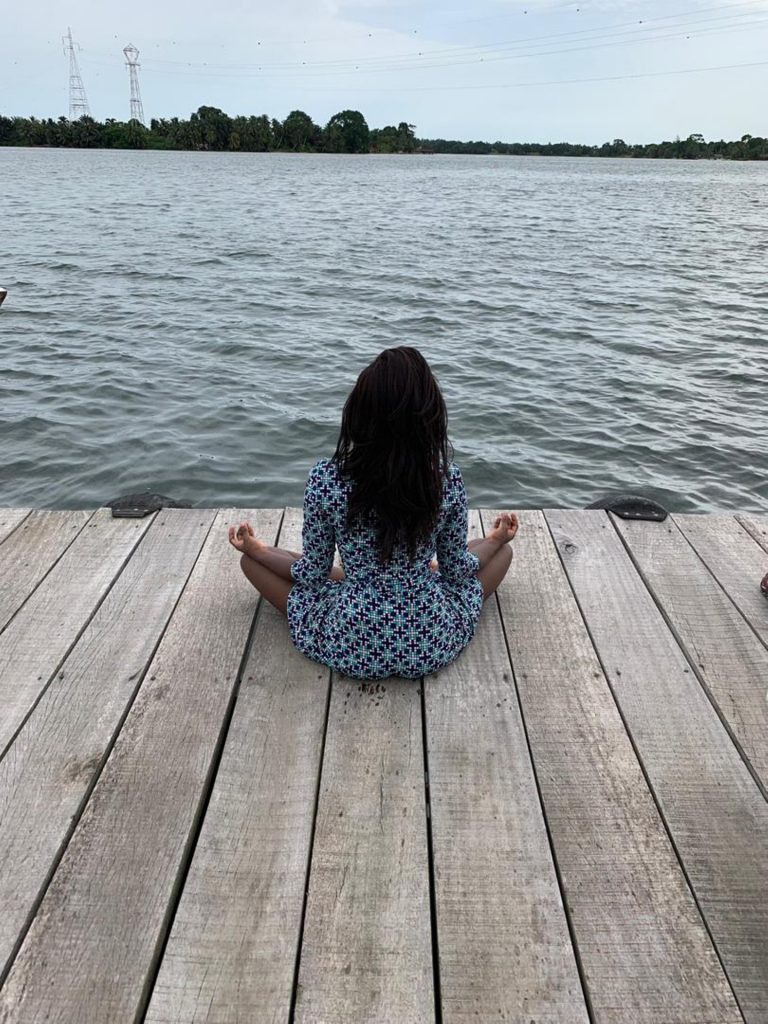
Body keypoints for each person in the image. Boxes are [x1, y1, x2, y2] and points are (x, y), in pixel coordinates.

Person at [228, 346, 518, 679]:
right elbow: (456, 573)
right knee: (503, 553)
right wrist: (495, 540)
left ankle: (262, 553)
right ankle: (426, 568)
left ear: (359, 416)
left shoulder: (327, 479)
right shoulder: (445, 480)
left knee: (250, 563)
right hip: (427, 641)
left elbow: (312, 574)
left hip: (351, 640)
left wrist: (256, 551)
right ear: (430, 418)